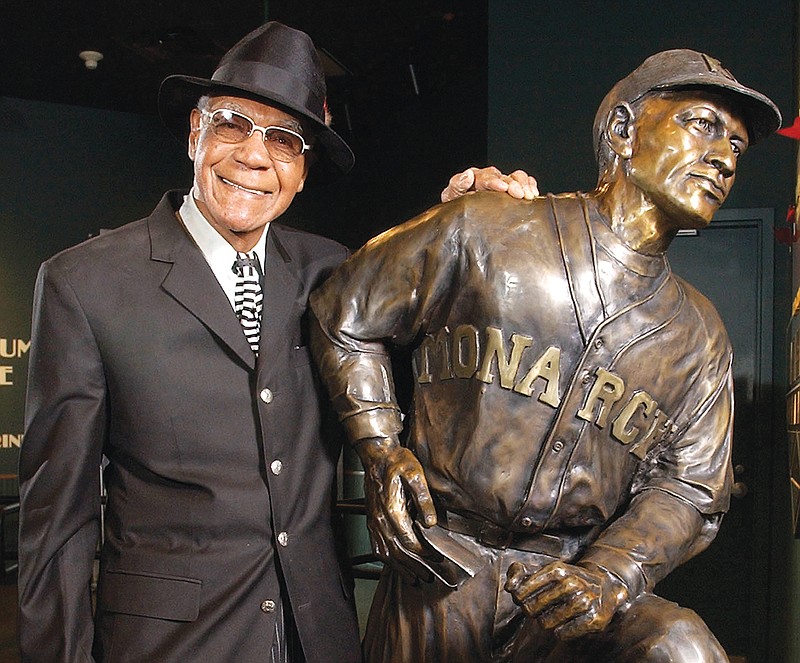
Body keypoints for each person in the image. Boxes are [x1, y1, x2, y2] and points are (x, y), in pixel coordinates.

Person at [16, 21, 536, 663]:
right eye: (232, 124)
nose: (255, 157)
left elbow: (437, 358)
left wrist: (465, 225)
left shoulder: (332, 271)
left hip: (318, 639)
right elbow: (57, 524)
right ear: (194, 134)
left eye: (284, 141)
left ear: (301, 171)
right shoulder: (84, 283)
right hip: (169, 646)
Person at [309, 49, 781, 662]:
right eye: (701, 124)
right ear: (623, 130)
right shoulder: (488, 227)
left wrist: (611, 572)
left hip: (567, 587)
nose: (723, 157)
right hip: (444, 565)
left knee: (680, 645)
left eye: (738, 147)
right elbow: (344, 314)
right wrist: (379, 447)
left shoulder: (699, 334)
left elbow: (690, 486)